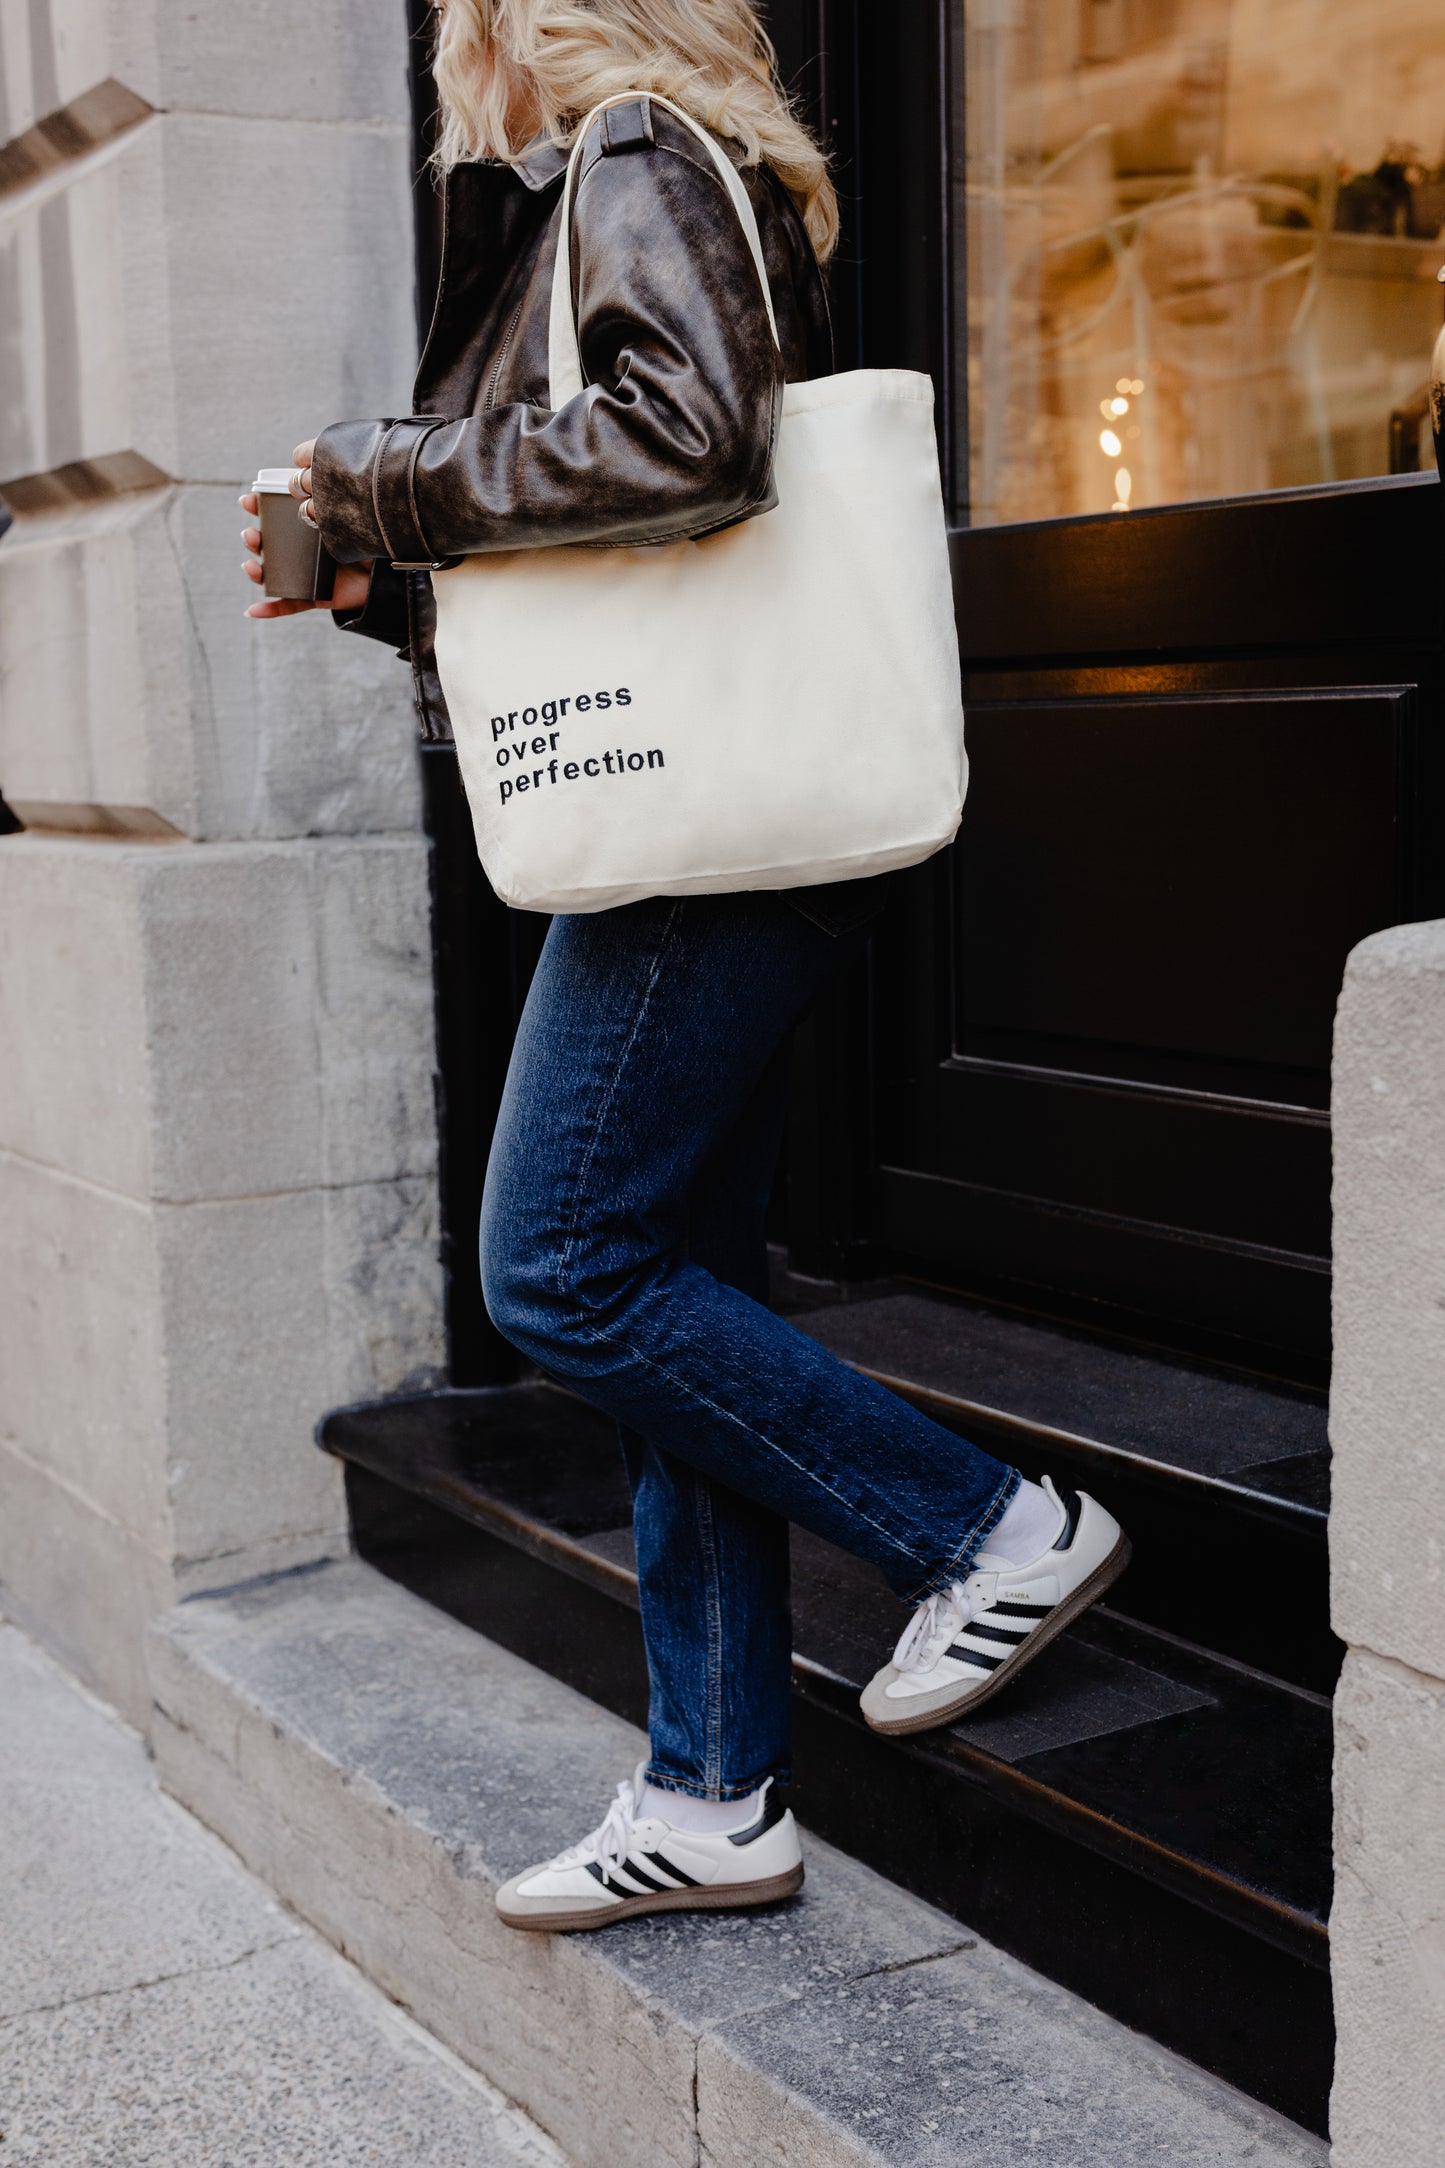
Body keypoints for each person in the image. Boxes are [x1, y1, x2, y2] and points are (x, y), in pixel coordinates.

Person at [241, 0, 1130, 1936]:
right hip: (707, 807)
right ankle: (712, 1787)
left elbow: (688, 440)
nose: (447, 51)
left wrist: (390, 475)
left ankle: (985, 1526)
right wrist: (380, 573)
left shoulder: (633, 148)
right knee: (672, 1282)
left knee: (561, 1264)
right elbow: (624, 538)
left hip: (699, 835)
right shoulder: (652, 170)